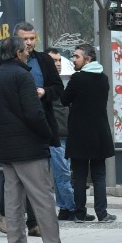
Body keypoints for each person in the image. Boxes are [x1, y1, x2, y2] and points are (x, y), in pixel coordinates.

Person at [0, 37, 72, 243]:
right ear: (17, 53)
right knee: (43, 199)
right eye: (24, 49)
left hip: (6, 148)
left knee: (13, 202)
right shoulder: (23, 76)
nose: (28, 52)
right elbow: (34, 113)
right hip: (30, 147)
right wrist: (46, 133)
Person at [63, 41, 115, 222]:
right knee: (99, 174)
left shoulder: (77, 79)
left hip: (80, 134)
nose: (73, 59)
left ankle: (80, 212)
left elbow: (64, 99)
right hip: (99, 132)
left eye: (77, 56)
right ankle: (102, 213)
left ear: (88, 58)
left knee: (79, 175)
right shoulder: (104, 78)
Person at [47, 47, 77, 220]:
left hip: (65, 133)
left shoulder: (60, 81)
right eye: (54, 61)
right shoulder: (47, 84)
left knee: (61, 173)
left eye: (59, 60)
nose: (57, 64)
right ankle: (72, 207)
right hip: (55, 135)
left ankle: (64, 207)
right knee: (63, 173)